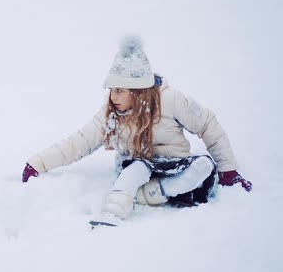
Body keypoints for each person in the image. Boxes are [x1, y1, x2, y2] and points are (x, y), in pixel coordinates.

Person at [21, 36, 252, 227]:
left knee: (204, 166)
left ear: (139, 90)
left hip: (175, 165)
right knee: (138, 167)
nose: (113, 97)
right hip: (136, 167)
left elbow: (207, 125)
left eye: (120, 90)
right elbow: (79, 142)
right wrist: (39, 163)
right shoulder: (111, 114)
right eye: (112, 90)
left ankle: (155, 193)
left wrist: (228, 170)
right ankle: (112, 213)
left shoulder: (171, 100)